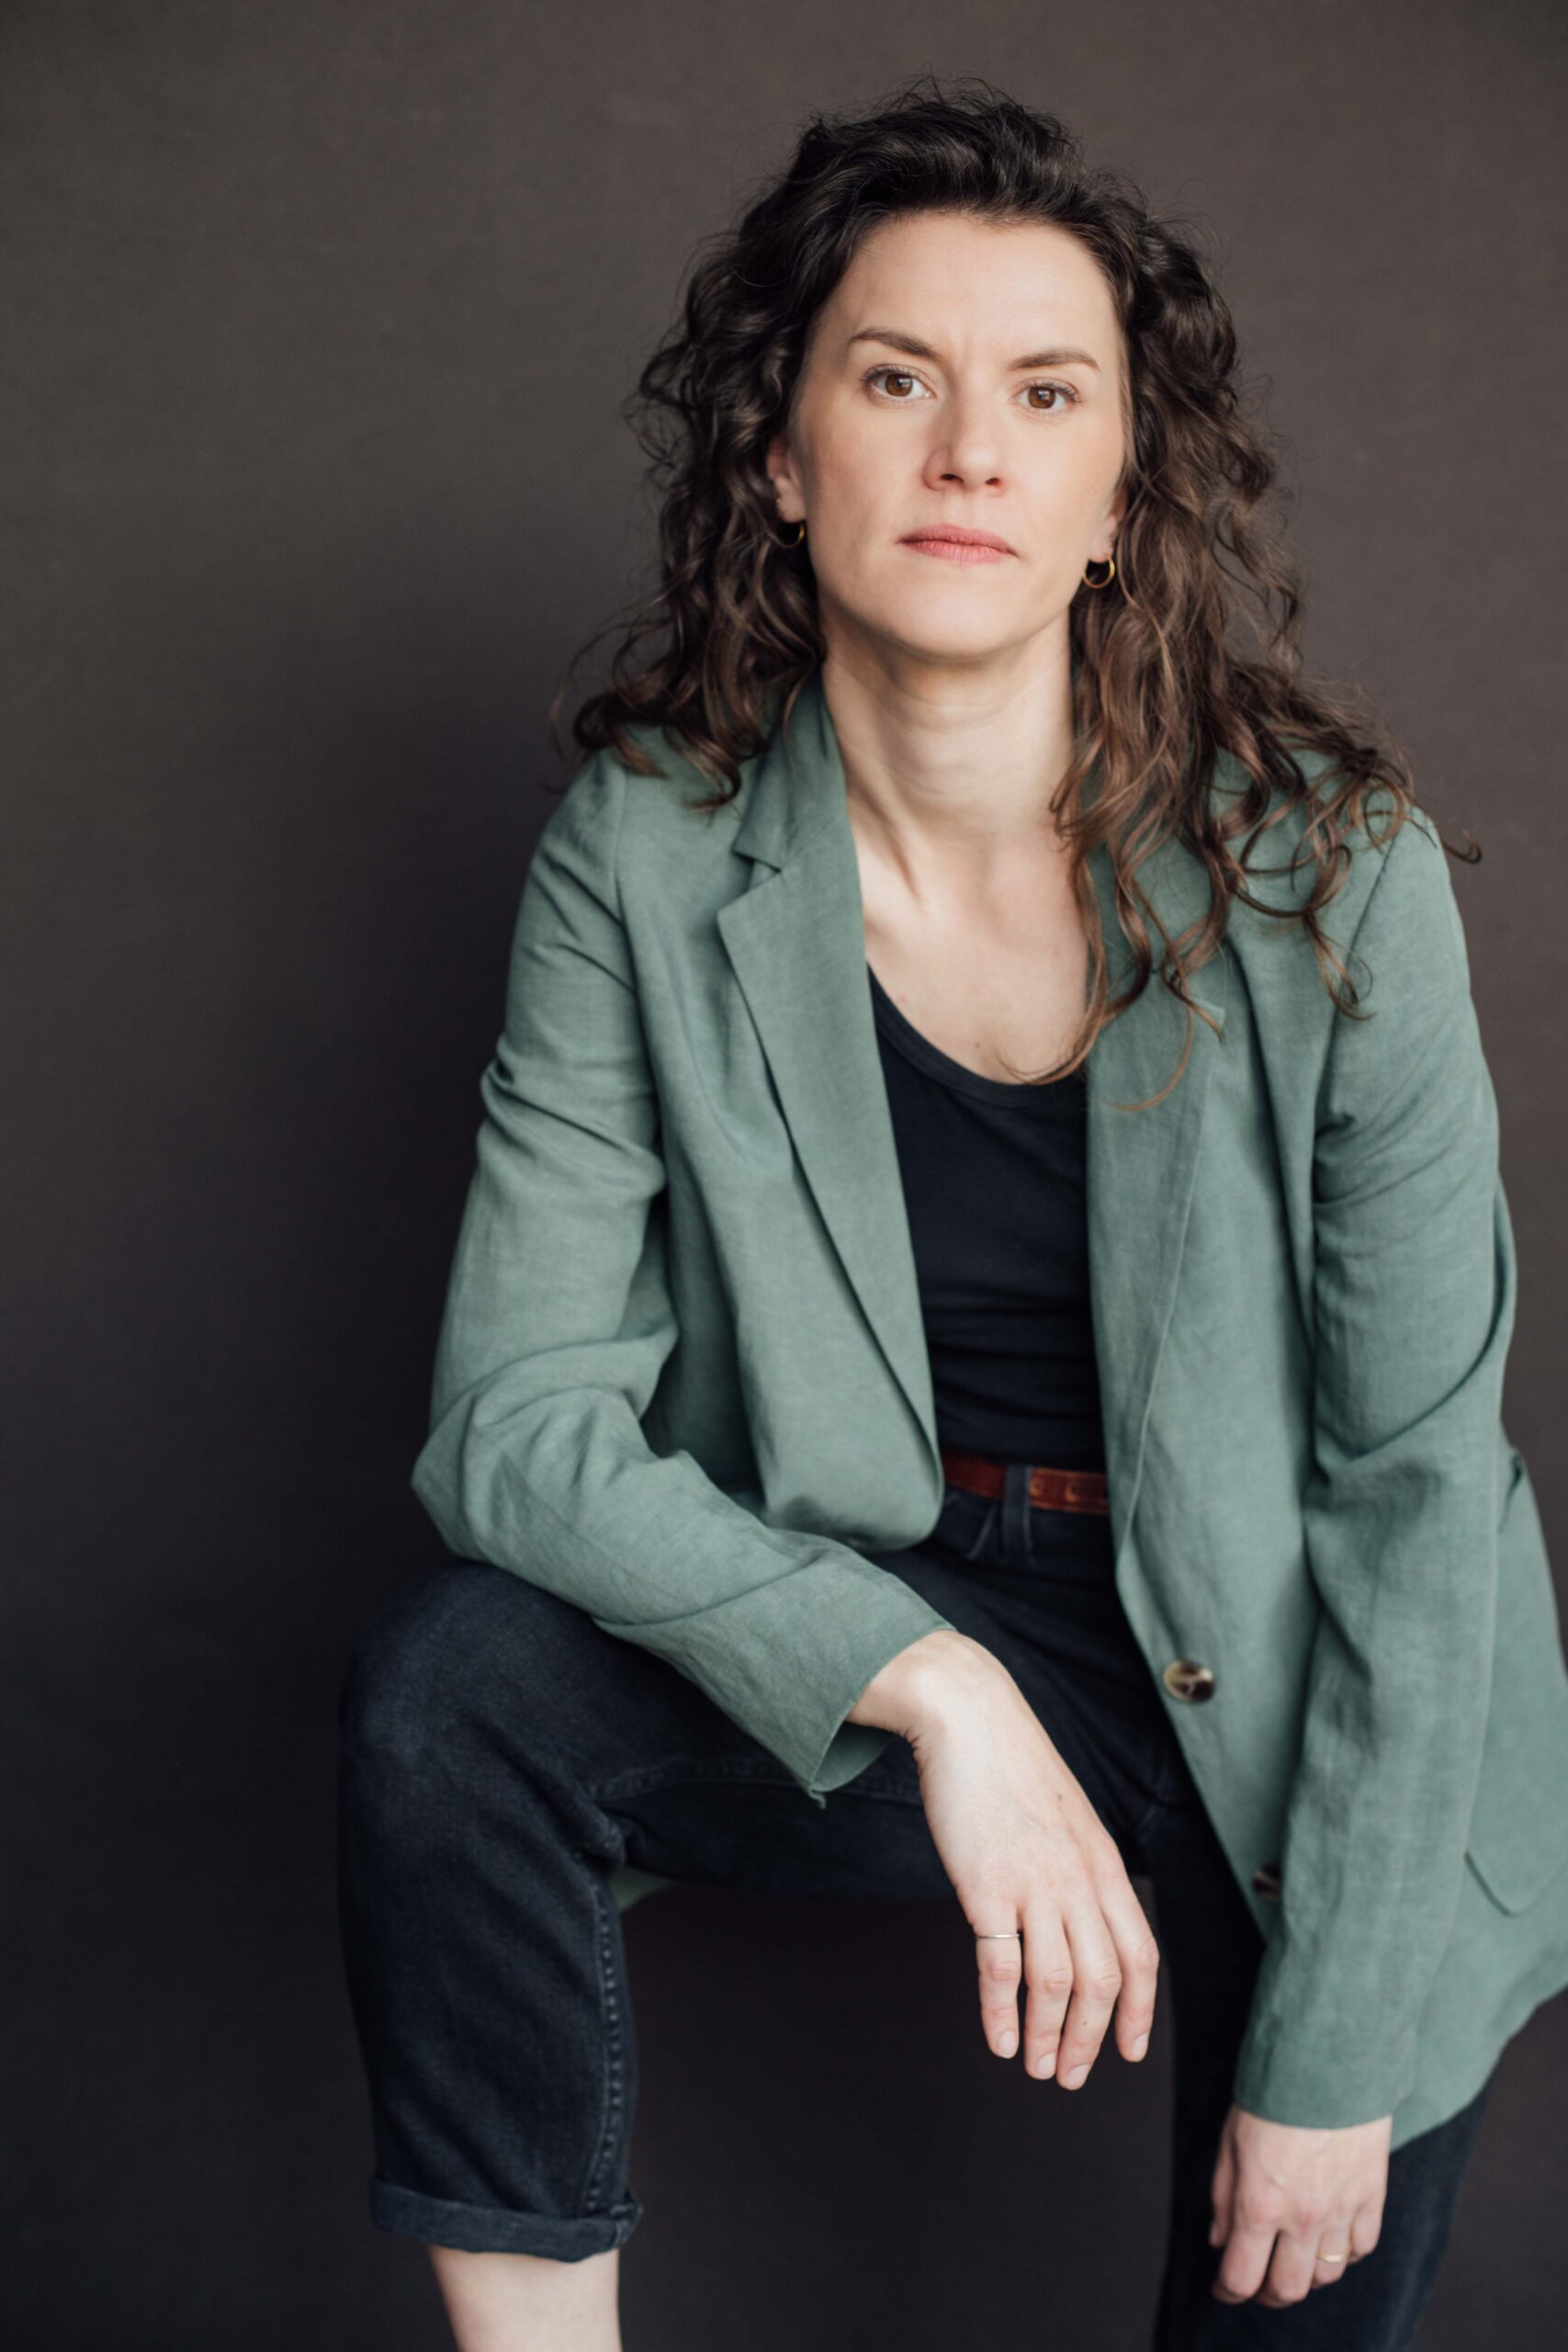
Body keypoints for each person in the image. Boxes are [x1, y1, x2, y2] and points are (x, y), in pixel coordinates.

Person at [334, 76, 1568, 2352]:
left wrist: (1331, 2068)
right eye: (893, 378)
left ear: (1118, 495)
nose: (966, 450)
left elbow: (1410, 1499)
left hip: (1298, 1669)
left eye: (1043, 395)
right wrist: (929, 1681)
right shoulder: (643, 850)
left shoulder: (1334, 877)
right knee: (452, 1690)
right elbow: (509, 1421)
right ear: (785, 459)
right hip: (884, 1596)